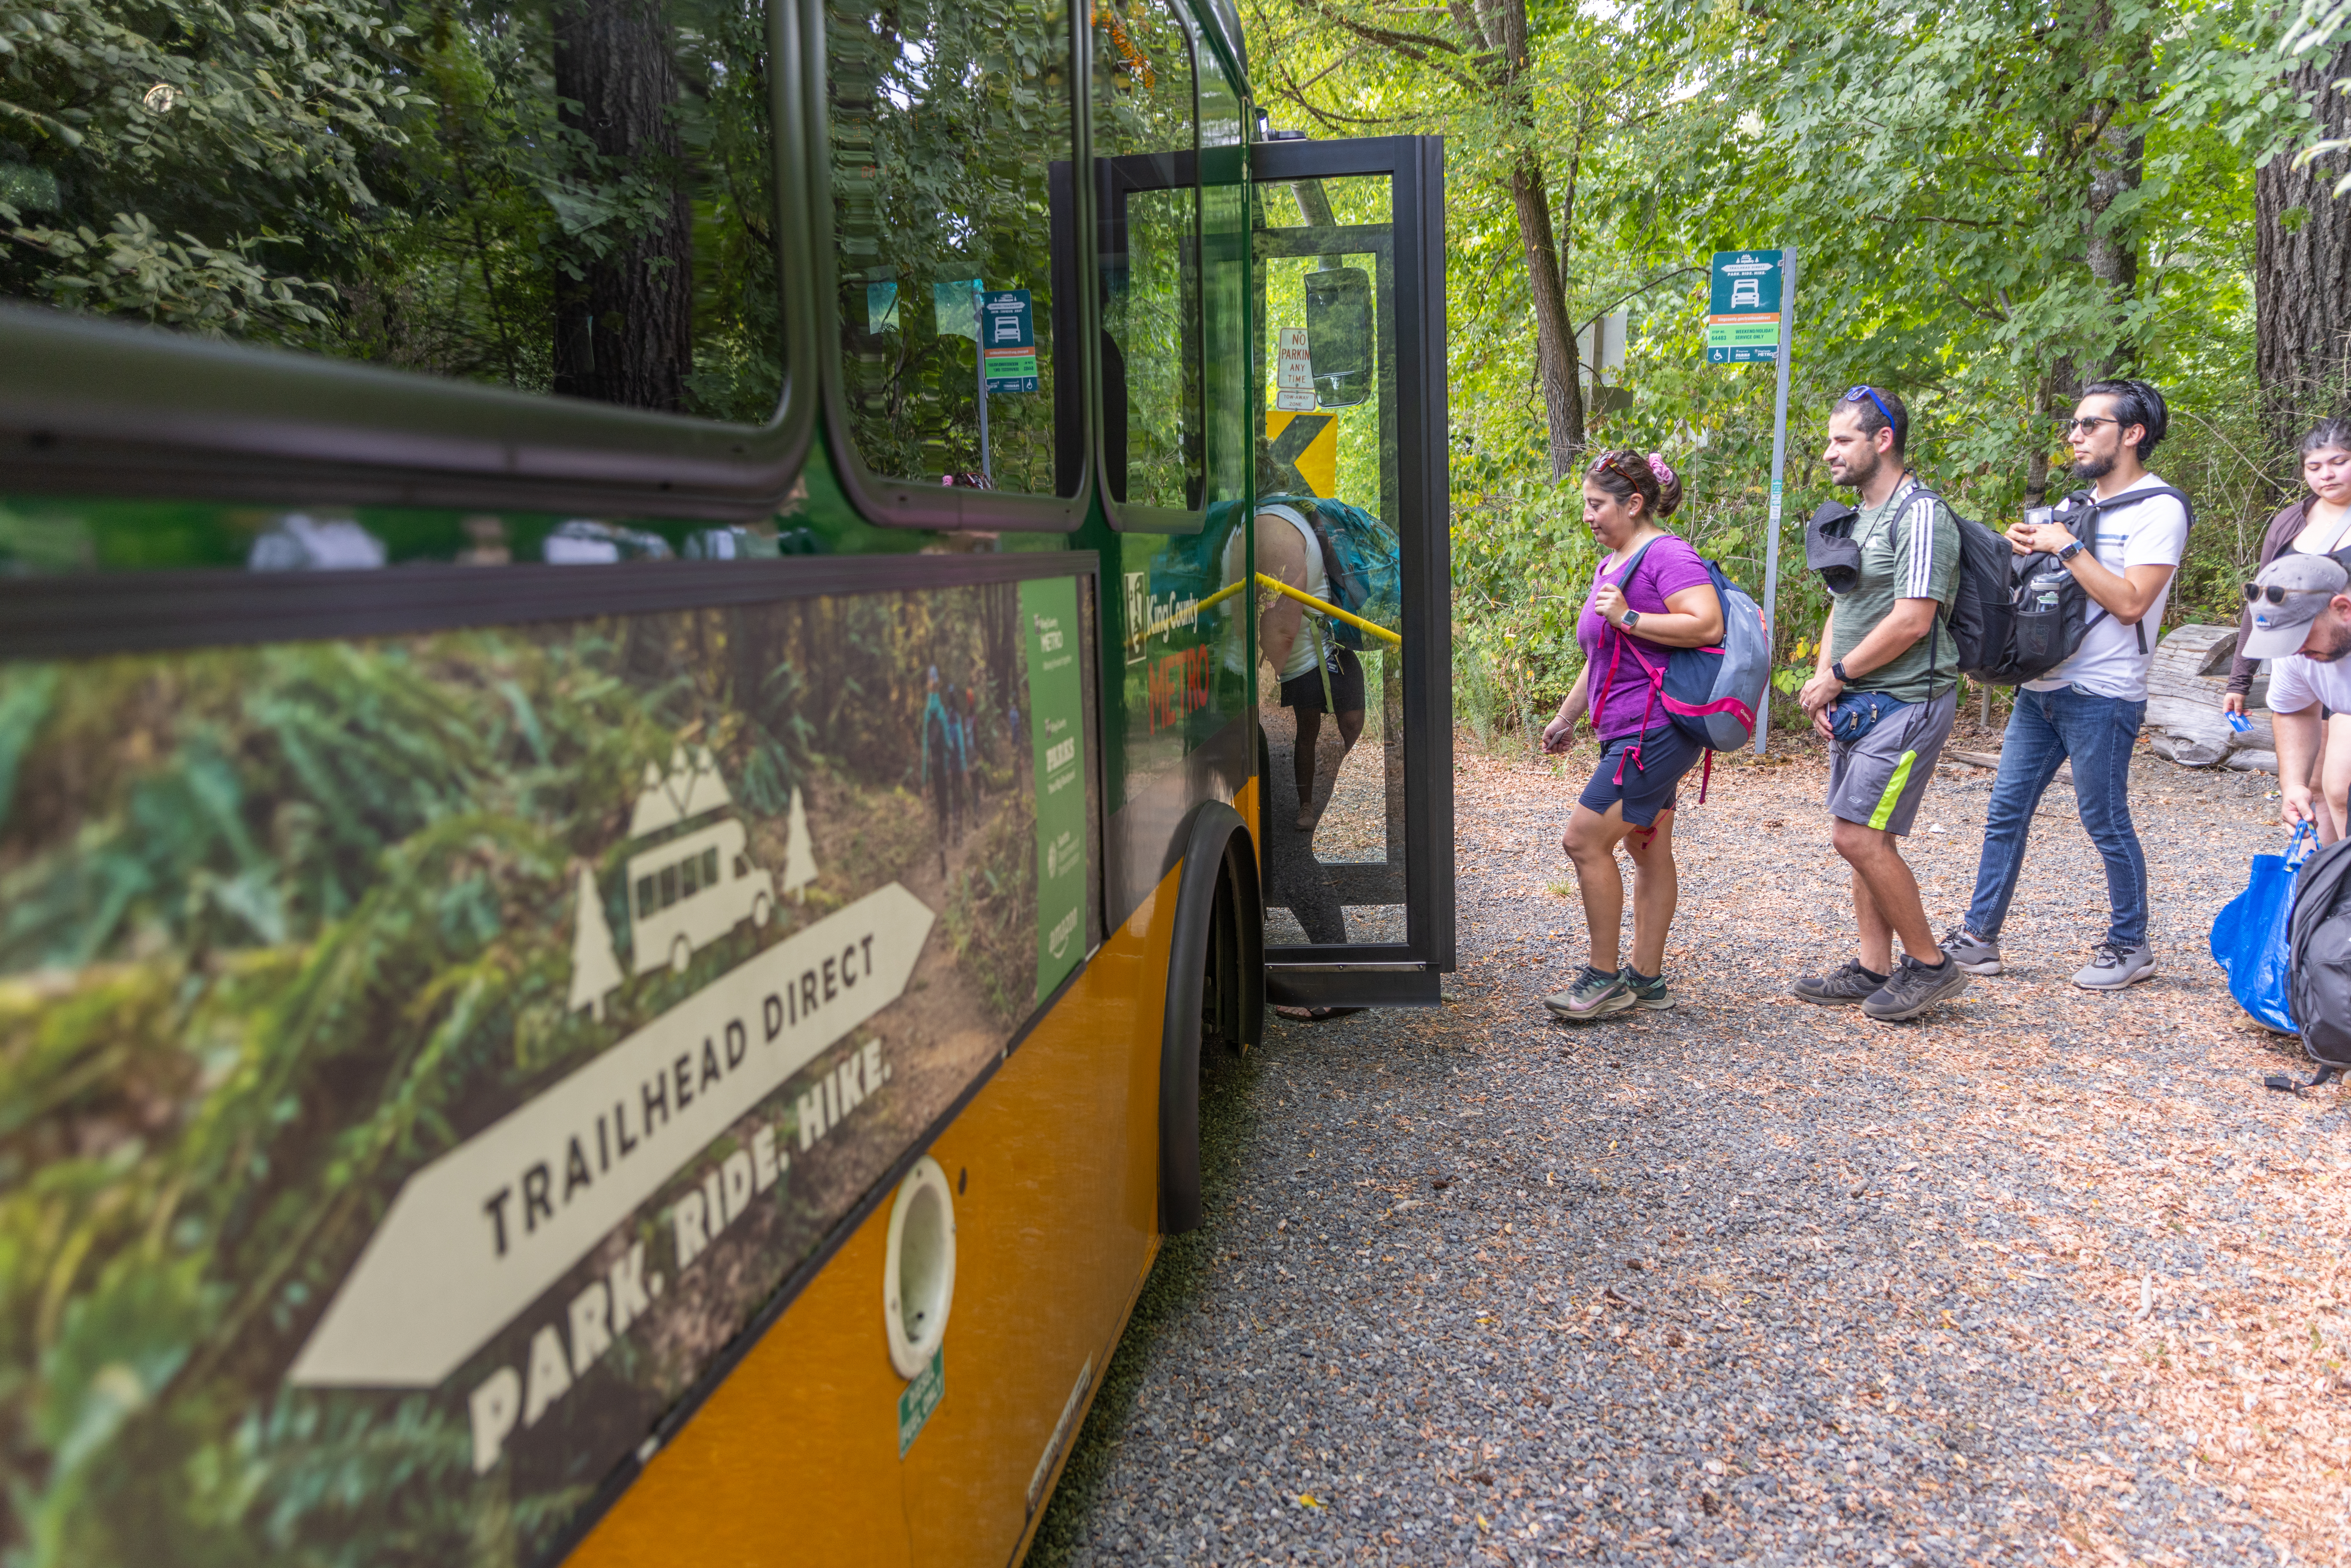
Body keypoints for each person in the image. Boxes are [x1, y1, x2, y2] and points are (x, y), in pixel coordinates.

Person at [1939, 380, 2190, 989]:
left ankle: (2131, 944)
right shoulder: (2075, 503)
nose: (2074, 435)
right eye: (2074, 424)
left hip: (2104, 691)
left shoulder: (2160, 508)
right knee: (2005, 811)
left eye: (2090, 425)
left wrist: (2067, 545)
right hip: (2043, 684)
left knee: (2103, 817)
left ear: (2132, 434)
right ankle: (1978, 938)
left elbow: (2130, 602)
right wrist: (2022, 550)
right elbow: (2049, 590)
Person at [1789, 386, 1971, 1021]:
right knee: (1865, 835)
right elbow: (1845, 606)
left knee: (1857, 836)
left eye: (1842, 440)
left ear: (1882, 439)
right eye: (1830, 440)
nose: (1828, 452)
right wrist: (1822, 683)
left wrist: (1837, 675)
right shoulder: (1860, 514)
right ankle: (1873, 966)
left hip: (1907, 702)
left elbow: (1912, 621)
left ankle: (1931, 965)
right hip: (1859, 702)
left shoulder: (1919, 514)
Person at [1536, 451, 1721, 1020]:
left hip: (1655, 730)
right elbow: (1601, 654)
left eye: (1597, 504)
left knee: (1583, 840)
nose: (1588, 515)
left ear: (1633, 503)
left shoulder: (1666, 554)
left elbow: (1705, 622)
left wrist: (1632, 618)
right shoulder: (1614, 563)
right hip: (1626, 727)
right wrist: (1568, 717)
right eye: (1586, 505)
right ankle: (1646, 978)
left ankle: (1604, 979)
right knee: (1646, 846)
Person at [2222, 417, 2351, 842]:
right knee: (2318, 787)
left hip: (2337, 645)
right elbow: (2264, 603)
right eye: (2315, 467)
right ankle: (2327, 887)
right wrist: (2240, 677)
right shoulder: (2291, 523)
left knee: (2341, 786)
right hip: (2323, 655)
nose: (2327, 475)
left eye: (2339, 462)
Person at [1223, 501, 1368, 832]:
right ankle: (1307, 806)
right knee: (1307, 731)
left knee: (1352, 721)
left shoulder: (1320, 530)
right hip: (1302, 656)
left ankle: (1338, 793)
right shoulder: (1277, 534)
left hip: (1336, 644)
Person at [2251, 552, 2351, 841]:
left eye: (2300, 635)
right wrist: (2294, 784)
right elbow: (2295, 711)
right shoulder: (2296, 647)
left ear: (2342, 609)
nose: (2293, 649)